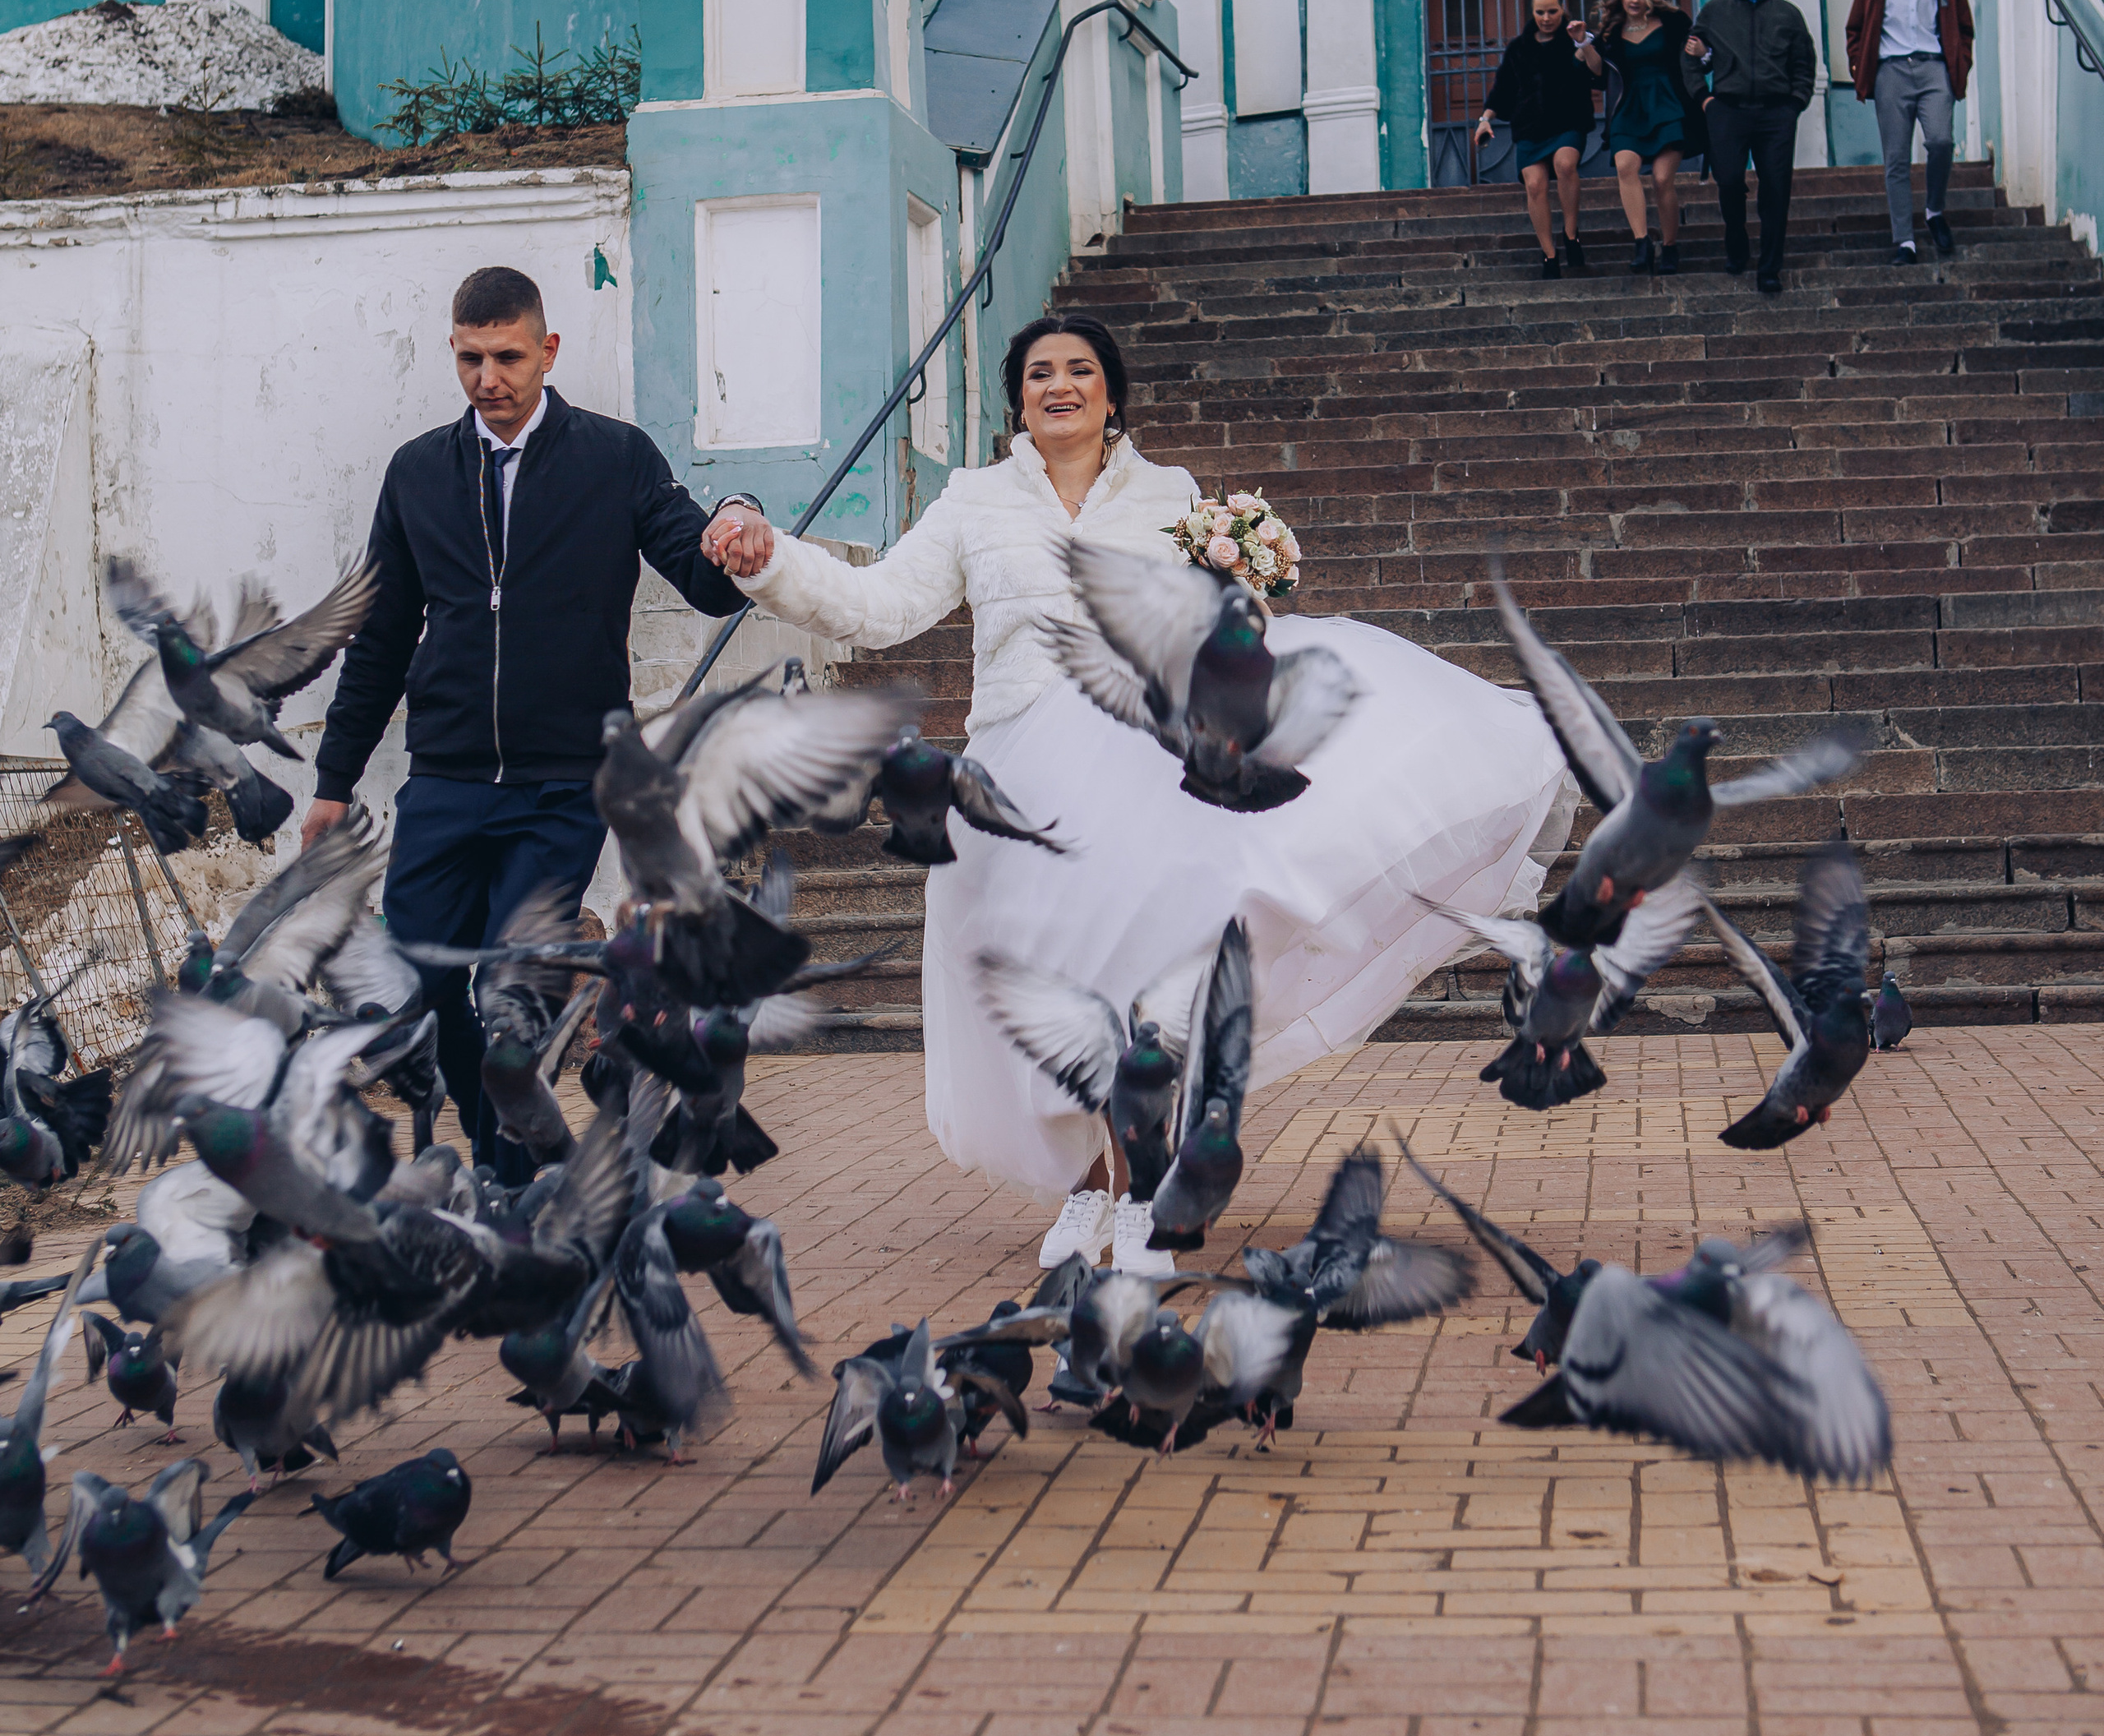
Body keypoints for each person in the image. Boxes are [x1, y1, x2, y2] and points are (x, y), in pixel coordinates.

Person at [699, 316, 1572, 1266]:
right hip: (1020, 782)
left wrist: (1247, 596)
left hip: (1147, 771)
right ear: (1017, 398)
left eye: (1079, 371)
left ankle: (1142, 1192)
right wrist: (773, 561)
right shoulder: (974, 501)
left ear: (1112, 394)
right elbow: (881, 608)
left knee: (1142, 988)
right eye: (1039, 375)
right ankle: (1082, 1188)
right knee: (1048, 989)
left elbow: (1208, 633)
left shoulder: (1172, 498)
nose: (1059, 386)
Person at [307, 261, 758, 1164]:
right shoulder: (418, 474)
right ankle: (511, 1143)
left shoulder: (615, 457)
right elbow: (383, 637)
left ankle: (508, 1178)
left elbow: (705, 581)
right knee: (427, 987)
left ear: (548, 351)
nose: (489, 379)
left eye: (508, 357)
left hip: (562, 788)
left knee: (510, 988)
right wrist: (333, 780)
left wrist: (739, 526)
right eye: (470, 360)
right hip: (444, 782)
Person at [1844, 0, 1976, 264]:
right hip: (1891, 72)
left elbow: (1964, 28)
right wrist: (1861, 68)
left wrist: (1960, 63)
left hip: (1935, 69)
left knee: (1941, 140)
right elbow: (1854, 29)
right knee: (1897, 159)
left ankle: (1934, 211)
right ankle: (1905, 240)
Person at [1688, 0, 1817, 291]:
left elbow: (1804, 63)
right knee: (1729, 181)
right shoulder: (1714, 12)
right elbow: (1691, 57)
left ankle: (1769, 268)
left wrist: (1795, 104)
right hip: (1727, 112)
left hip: (1776, 114)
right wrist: (1705, 100)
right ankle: (1737, 240)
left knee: (1776, 191)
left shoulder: (1787, 14)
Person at [1576, 0, 1705, 274]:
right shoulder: (1611, 30)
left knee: (1662, 180)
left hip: (1669, 106)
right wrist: (1583, 43)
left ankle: (1670, 247)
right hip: (1629, 108)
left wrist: (1702, 52)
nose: (1635, 0)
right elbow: (1599, 74)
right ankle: (1642, 242)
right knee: (1625, 166)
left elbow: (1695, 58)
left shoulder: (1674, 22)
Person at [1475, 0, 1596, 274]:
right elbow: (1502, 88)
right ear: (1532, 11)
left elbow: (1598, 72)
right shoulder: (1519, 48)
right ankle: (1550, 255)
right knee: (1534, 185)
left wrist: (1584, 44)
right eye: (1540, 12)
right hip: (1530, 126)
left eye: (1552, 11)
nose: (1546, 18)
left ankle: (1570, 235)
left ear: (1562, 8)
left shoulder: (1575, 38)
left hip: (1568, 121)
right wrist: (1485, 120)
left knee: (1565, 164)